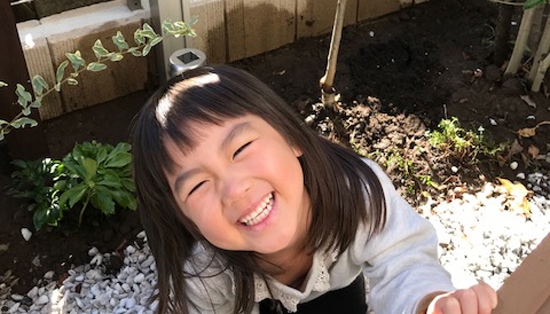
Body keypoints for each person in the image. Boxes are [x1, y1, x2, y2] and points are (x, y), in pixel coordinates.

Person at [131, 65, 497, 314]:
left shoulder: (356, 193)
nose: (235, 190)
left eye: (241, 149)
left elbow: (404, 263)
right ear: (183, 218)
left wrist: (429, 303)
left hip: (340, 287)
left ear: (292, 136)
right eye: (197, 185)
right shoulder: (206, 271)